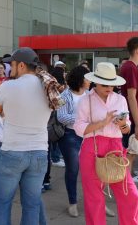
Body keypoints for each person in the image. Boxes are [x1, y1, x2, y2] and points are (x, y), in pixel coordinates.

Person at [0, 48, 50, 225]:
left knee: (1, 203)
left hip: (12, 151)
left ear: (22, 65)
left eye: (12, 65)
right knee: (32, 205)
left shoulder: (8, 86)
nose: (10, 68)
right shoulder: (48, 88)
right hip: (39, 152)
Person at [74, 62, 138, 225]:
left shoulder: (120, 99)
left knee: (130, 195)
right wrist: (103, 123)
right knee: (94, 197)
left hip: (116, 147)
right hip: (92, 147)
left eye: (112, 84)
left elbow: (127, 128)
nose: (109, 88)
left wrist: (123, 124)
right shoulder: (86, 100)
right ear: (95, 81)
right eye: (105, 84)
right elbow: (78, 128)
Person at [56, 65, 90, 217]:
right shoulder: (64, 95)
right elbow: (61, 117)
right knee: (73, 169)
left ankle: (96, 202)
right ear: (80, 79)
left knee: (92, 171)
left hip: (89, 135)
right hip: (70, 136)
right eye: (87, 78)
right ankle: (73, 202)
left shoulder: (90, 94)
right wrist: (81, 120)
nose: (90, 81)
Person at [119, 37, 138, 183]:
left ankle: (127, 191)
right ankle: (127, 193)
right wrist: (137, 125)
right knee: (130, 154)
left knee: (130, 154)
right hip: (133, 119)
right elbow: (131, 97)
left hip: (133, 117)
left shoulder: (130, 67)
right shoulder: (130, 68)